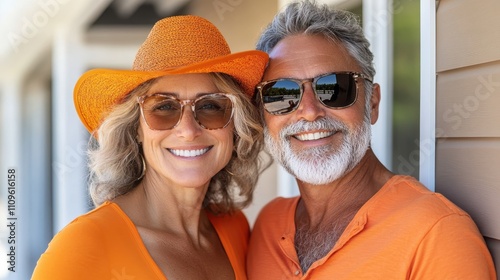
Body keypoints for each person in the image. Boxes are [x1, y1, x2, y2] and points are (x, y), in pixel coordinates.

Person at [247, 1, 497, 279]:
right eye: (281, 94)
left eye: (334, 88)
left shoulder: (436, 234)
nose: (309, 112)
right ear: (263, 113)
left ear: (373, 103)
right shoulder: (266, 227)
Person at [32, 15, 268, 280]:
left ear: (235, 126)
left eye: (211, 106)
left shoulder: (235, 229)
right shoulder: (83, 247)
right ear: (136, 128)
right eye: (164, 108)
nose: (189, 131)